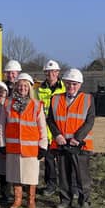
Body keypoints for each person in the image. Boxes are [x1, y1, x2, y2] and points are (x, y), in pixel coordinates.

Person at [0, 73, 48, 208]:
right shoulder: (7, 104)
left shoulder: (36, 105)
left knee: (30, 176)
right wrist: (1, 144)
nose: (22, 88)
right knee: (15, 175)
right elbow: (2, 125)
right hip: (13, 147)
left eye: (25, 85)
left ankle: (31, 200)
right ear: (15, 87)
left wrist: (43, 146)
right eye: (20, 85)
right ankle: (17, 199)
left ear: (30, 88)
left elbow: (42, 127)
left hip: (31, 148)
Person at [46, 69, 95, 208]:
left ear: (80, 84)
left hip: (80, 145)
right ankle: (65, 200)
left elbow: (89, 121)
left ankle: (84, 202)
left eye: (74, 84)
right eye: (68, 83)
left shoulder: (88, 99)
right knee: (64, 175)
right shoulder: (55, 99)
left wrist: (77, 138)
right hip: (61, 144)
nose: (71, 87)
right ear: (64, 83)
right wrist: (57, 135)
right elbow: (50, 120)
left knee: (82, 176)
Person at [37, 59, 65, 196]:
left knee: (64, 162)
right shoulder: (39, 90)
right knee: (48, 161)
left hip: (61, 130)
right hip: (46, 131)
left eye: (53, 72)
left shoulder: (65, 88)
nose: (51, 74)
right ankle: (50, 185)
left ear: (58, 72)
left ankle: (69, 187)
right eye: (48, 72)